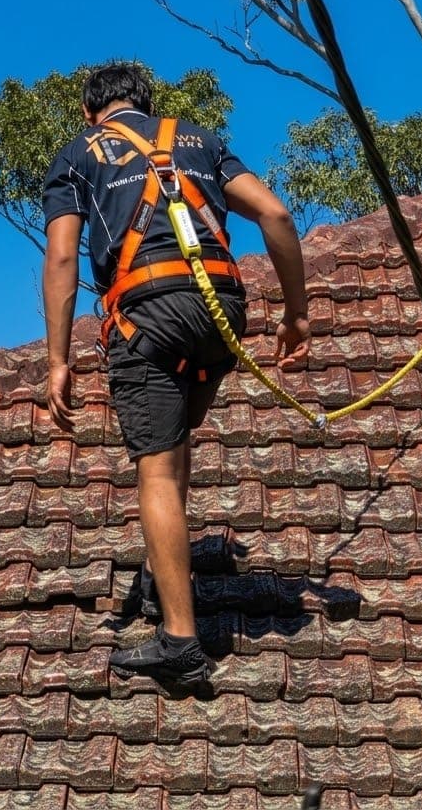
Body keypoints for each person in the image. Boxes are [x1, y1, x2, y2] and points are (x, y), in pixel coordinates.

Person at [41, 63, 311, 686]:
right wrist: (297, 315)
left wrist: (59, 360)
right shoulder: (200, 139)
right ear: (147, 104)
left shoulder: (78, 154)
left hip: (149, 313)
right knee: (174, 443)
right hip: (221, 315)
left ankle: (182, 645)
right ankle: (163, 572)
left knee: (156, 470)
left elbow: (61, 254)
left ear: (91, 113)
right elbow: (275, 215)